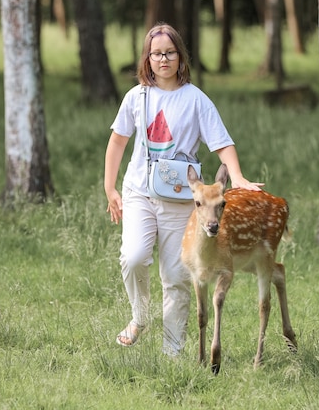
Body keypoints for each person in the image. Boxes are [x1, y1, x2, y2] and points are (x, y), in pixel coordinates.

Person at [104, 23, 262, 356]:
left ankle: (172, 352)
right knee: (133, 258)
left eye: (170, 53)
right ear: (147, 58)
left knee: (176, 274)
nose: (163, 59)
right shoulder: (137, 97)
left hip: (178, 200)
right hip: (139, 193)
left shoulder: (196, 100)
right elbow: (118, 141)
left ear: (180, 56)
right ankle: (139, 318)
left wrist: (238, 176)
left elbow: (223, 143)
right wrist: (110, 188)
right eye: (156, 53)